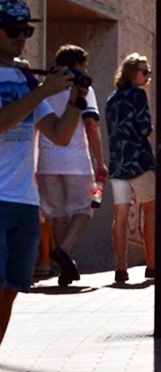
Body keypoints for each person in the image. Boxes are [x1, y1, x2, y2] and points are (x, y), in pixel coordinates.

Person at [0, 0, 83, 372]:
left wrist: (74, 99)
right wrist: (43, 91)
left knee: (11, 289)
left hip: (22, 199)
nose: (21, 39)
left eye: (26, 32)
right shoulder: (29, 85)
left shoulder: (28, 80)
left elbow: (59, 134)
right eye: (13, 31)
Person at [36, 45, 107, 287]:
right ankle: (64, 250)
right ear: (79, 66)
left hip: (47, 160)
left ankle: (62, 266)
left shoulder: (43, 88)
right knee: (84, 208)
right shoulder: (83, 89)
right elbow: (91, 125)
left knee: (56, 213)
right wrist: (100, 161)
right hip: (76, 159)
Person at [104, 53, 156, 285]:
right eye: (144, 72)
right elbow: (145, 127)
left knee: (121, 215)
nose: (147, 76)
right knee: (150, 210)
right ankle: (152, 263)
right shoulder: (138, 95)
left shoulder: (112, 99)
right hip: (139, 161)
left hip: (117, 162)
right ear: (132, 73)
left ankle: (121, 267)